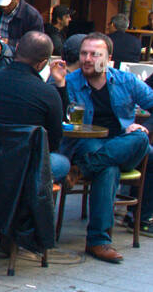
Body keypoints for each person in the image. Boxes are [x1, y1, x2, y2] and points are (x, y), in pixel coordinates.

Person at [61, 33, 153, 262]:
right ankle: (98, 242)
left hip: (123, 144)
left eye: (95, 54)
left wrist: (145, 127)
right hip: (87, 143)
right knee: (108, 169)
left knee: (141, 140)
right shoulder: (69, 82)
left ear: (108, 58)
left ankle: (81, 169)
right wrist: (59, 86)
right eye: (84, 53)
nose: (88, 59)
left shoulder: (125, 80)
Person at [0, 31, 70, 188]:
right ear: (43, 63)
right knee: (63, 162)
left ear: (17, 48)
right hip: (26, 167)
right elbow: (54, 140)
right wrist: (60, 84)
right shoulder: (48, 93)